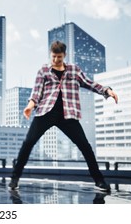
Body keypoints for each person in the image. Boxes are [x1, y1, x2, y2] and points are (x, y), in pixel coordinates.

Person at [9, 40, 118, 192]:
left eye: (59, 57)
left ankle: (99, 181)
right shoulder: (44, 71)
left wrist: (107, 91)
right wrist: (30, 105)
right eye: (53, 57)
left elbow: (89, 83)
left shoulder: (74, 70)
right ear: (50, 55)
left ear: (64, 55)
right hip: (46, 112)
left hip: (68, 115)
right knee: (28, 143)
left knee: (85, 146)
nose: (55, 60)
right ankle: (14, 178)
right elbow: (36, 92)